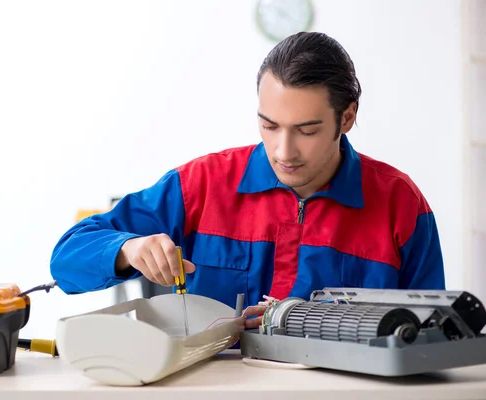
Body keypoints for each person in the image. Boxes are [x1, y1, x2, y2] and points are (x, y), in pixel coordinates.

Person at [49, 32, 445, 329]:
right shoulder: (201, 184)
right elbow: (66, 259)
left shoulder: (401, 204)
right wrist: (128, 248)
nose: (283, 151)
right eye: (269, 126)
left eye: (306, 131)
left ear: (347, 117)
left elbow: (430, 335)